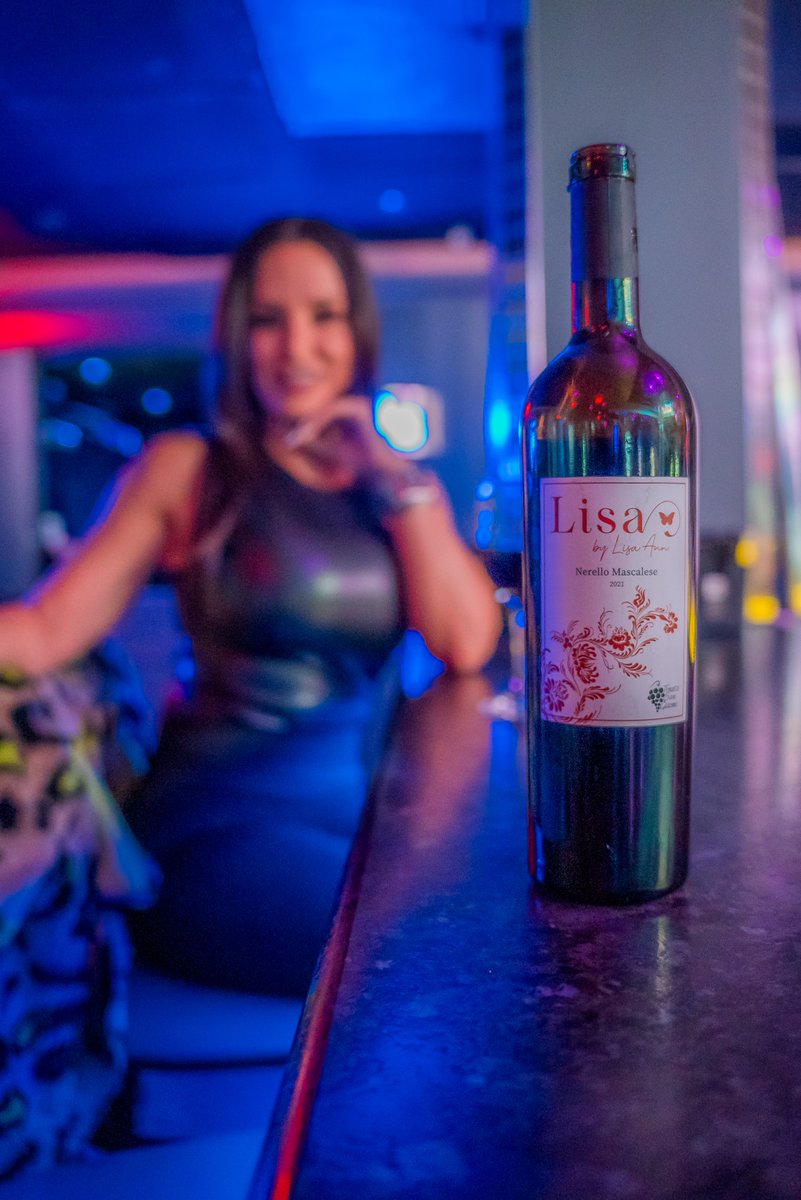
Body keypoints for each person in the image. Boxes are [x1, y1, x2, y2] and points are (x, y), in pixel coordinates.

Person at [0, 217, 501, 997]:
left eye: (324, 316)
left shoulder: (382, 490)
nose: (296, 347)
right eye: (268, 319)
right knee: (429, 962)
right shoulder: (188, 467)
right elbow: (45, 629)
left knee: (487, 926)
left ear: (357, 332)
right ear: (237, 337)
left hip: (354, 815)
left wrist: (393, 474)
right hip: (215, 827)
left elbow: (465, 641)